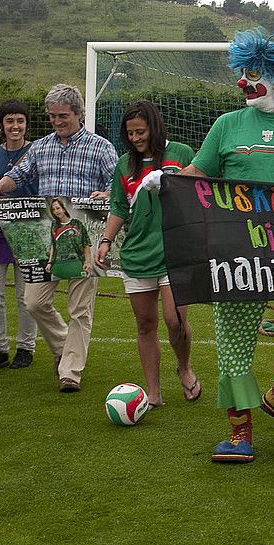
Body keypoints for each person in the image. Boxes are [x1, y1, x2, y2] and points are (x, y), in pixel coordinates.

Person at [170, 30, 274, 463]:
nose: (244, 83)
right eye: (242, 74)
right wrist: (166, 179)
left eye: (254, 75)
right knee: (233, 342)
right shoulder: (227, 124)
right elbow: (198, 174)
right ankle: (240, 431)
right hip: (236, 253)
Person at [0, 83, 117, 392]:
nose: (57, 122)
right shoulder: (41, 147)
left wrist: (107, 192)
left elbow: (116, 181)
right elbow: (19, 174)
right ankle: (63, 345)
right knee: (33, 301)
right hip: (48, 237)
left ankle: (70, 371)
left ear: (79, 114)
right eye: (52, 116)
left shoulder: (100, 146)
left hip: (86, 235)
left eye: (63, 116)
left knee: (79, 309)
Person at [95, 100, 200, 408]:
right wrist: (105, 241)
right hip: (137, 253)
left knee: (175, 320)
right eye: (129, 134)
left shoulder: (181, 154)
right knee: (145, 324)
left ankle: (184, 367)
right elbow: (118, 206)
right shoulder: (125, 165)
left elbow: (199, 189)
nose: (135, 138)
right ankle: (153, 392)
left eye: (140, 131)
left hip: (176, 249)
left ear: (155, 127)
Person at [0, 99, 39, 372]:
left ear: (26, 124)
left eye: (20, 121)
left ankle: (26, 348)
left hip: (29, 234)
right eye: (10, 121)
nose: (15, 126)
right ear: (2, 125)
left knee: (27, 296)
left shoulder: (37, 152)